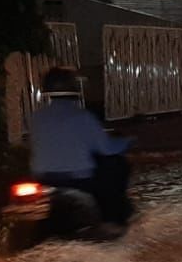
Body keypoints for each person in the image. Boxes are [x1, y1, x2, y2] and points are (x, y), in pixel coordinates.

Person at [28, 67, 134, 226]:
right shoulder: (84, 117)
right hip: (79, 181)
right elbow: (107, 149)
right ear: (74, 88)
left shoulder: (37, 117)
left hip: (43, 179)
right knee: (116, 165)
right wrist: (127, 141)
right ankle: (113, 221)